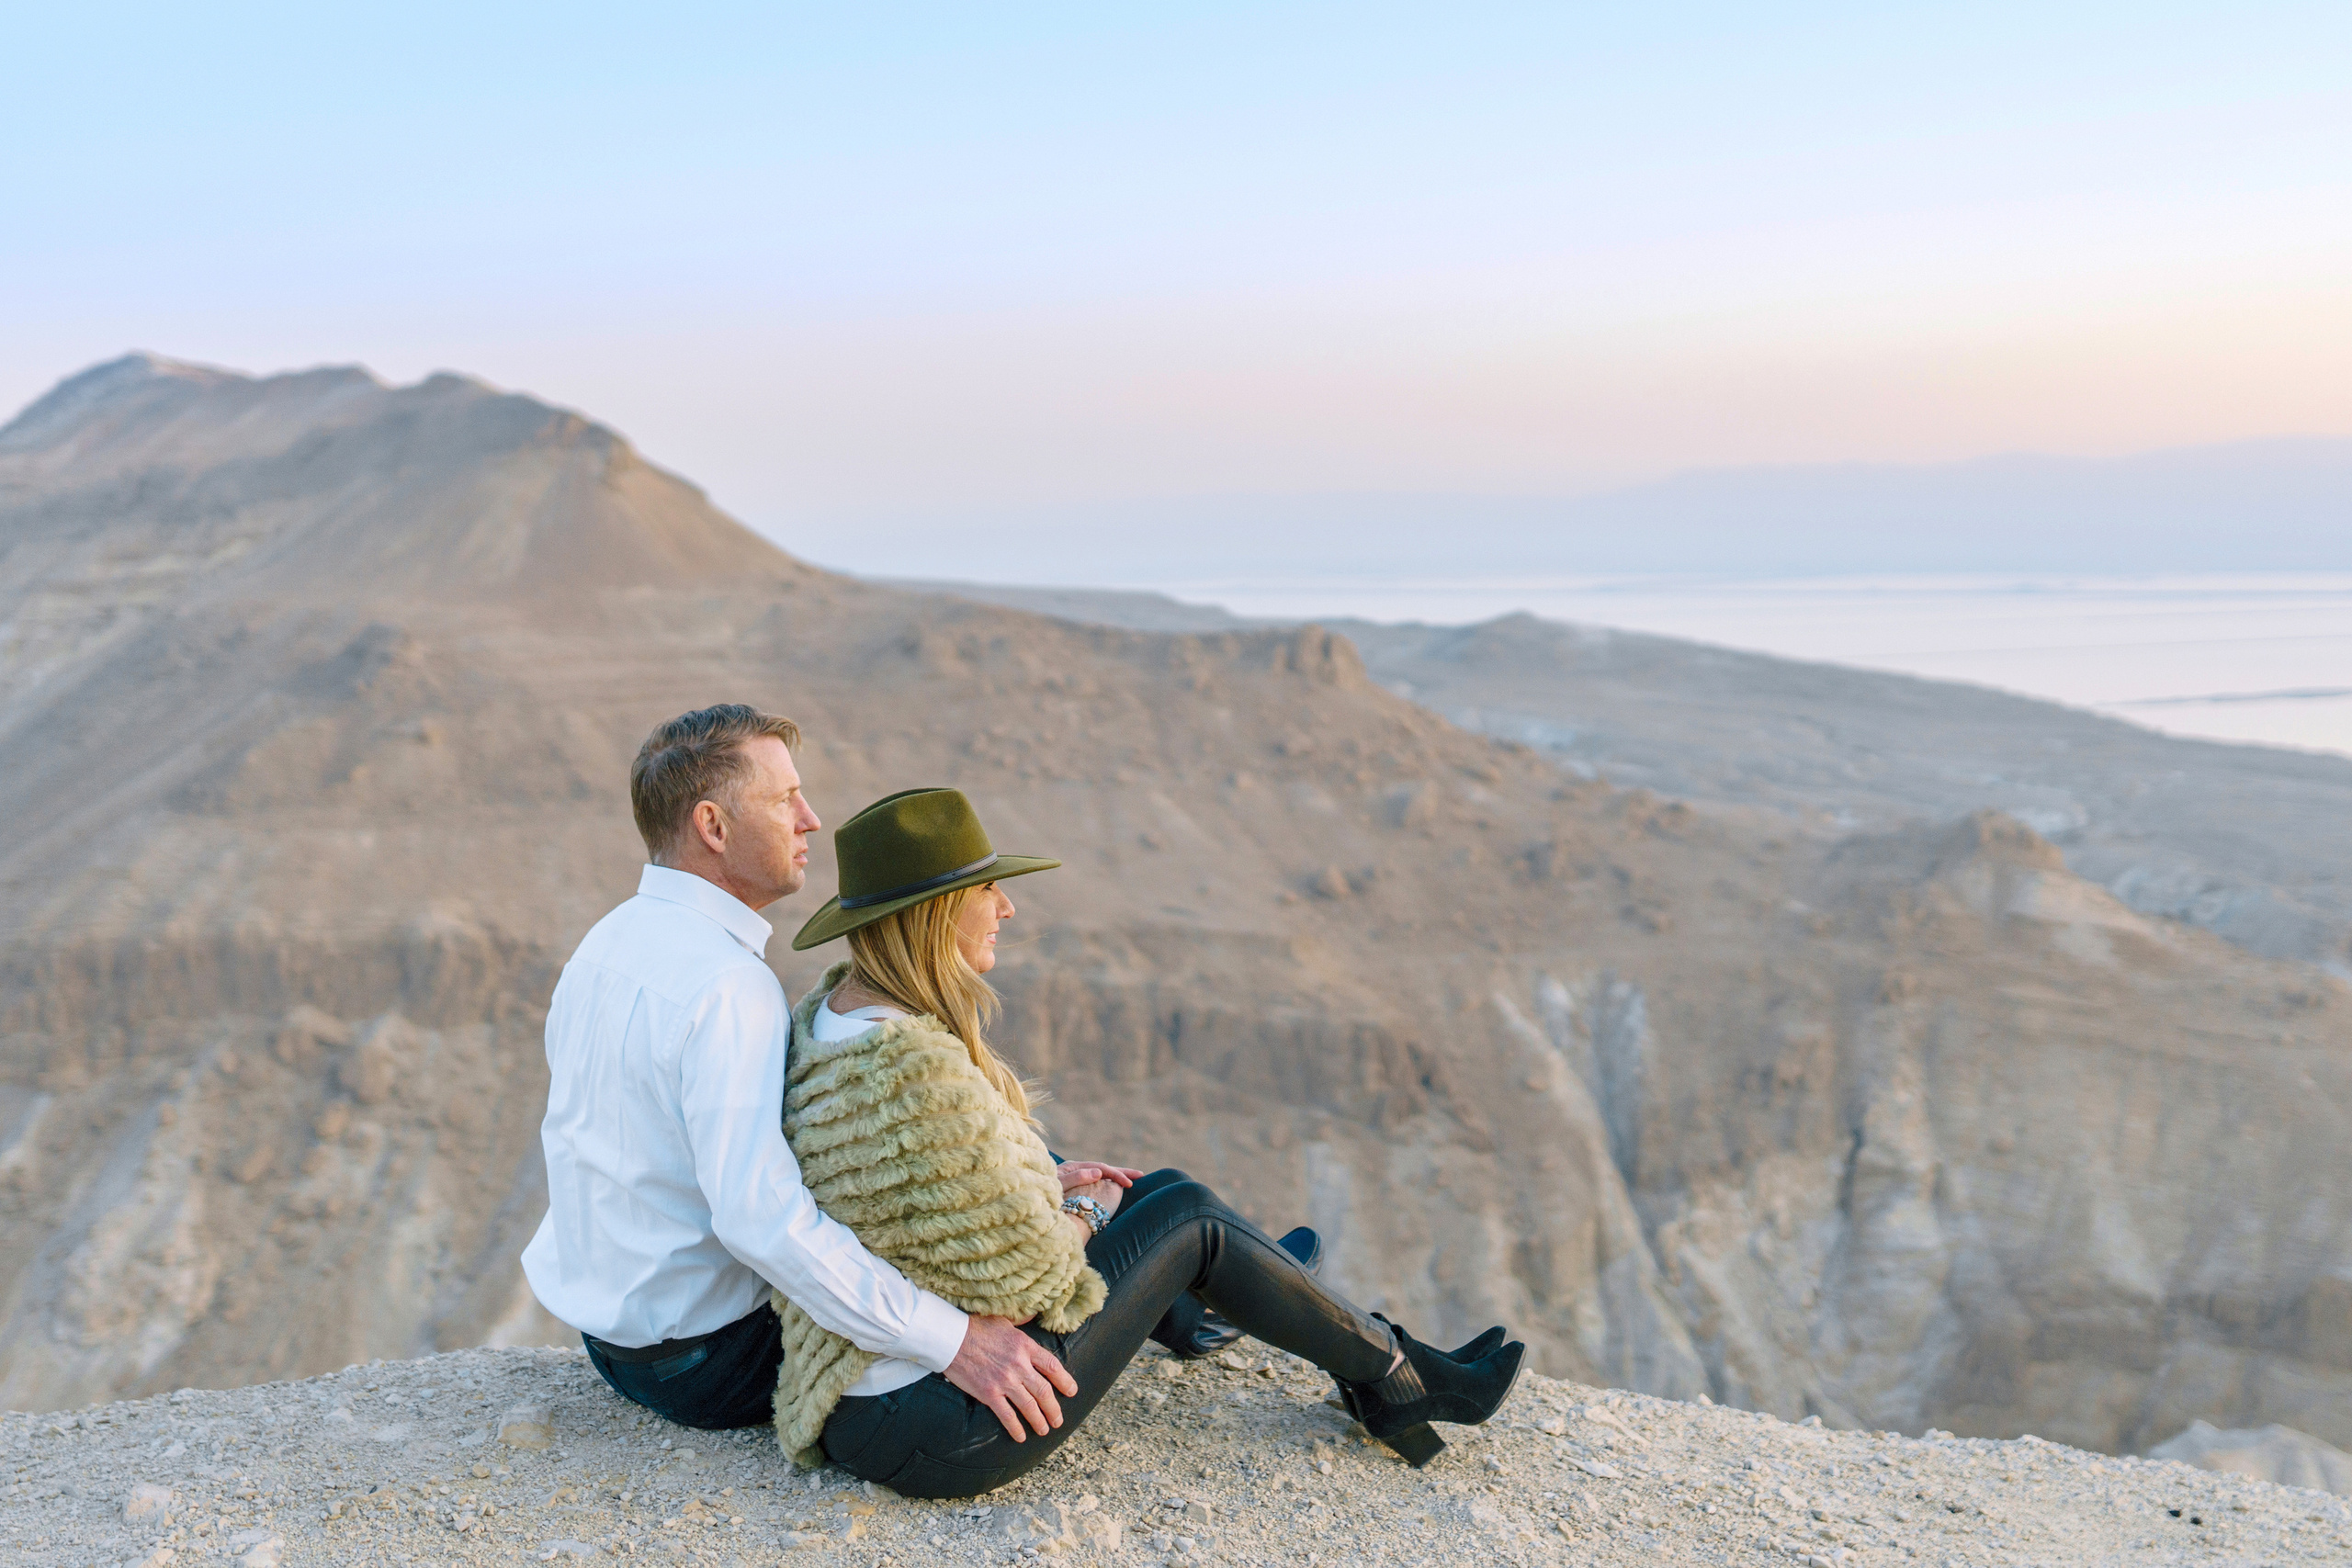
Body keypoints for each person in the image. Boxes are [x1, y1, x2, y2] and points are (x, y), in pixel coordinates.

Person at [781, 785, 1524, 1498]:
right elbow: (1017, 1288)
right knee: (1190, 1219)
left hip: (869, 1400)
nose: (1007, 906)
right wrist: (1092, 1211)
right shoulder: (914, 1070)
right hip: (944, 1425)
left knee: (1155, 1188)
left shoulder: (839, 1023)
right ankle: (1394, 1374)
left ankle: (1206, 1308)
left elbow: (920, 1207)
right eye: (988, 892)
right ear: (938, 913)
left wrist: (1050, 1183)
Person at [522, 705, 1101, 1439]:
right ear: (713, 826)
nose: (811, 819)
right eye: (784, 798)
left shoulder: (605, 943)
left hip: (616, 1346)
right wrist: (955, 1343)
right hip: (711, 1363)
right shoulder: (728, 986)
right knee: (984, 1261)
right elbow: (762, 1220)